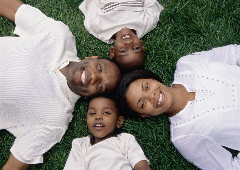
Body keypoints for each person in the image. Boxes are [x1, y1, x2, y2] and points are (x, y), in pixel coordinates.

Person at [0, 0, 121, 169]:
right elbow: (13, 9)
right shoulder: (58, 35)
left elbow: (17, 162)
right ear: (92, 58)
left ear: (90, 96)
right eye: (100, 68)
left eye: (100, 86)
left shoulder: (56, 119)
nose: (95, 77)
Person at [116, 44, 240, 170]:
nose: (151, 96)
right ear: (144, 115)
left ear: (152, 78)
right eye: (142, 104)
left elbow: (234, 53)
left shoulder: (187, 65)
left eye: (146, 86)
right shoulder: (184, 137)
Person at [64, 94, 151, 170]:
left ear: (119, 121)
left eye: (106, 113)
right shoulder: (80, 145)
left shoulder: (125, 140)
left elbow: (141, 167)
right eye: (92, 113)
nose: (98, 117)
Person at [79, 0, 164, 73]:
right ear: (142, 45)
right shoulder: (145, 23)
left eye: (123, 50)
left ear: (112, 51)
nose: (129, 43)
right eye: (136, 48)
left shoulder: (100, 28)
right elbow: (153, 6)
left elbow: (91, 5)